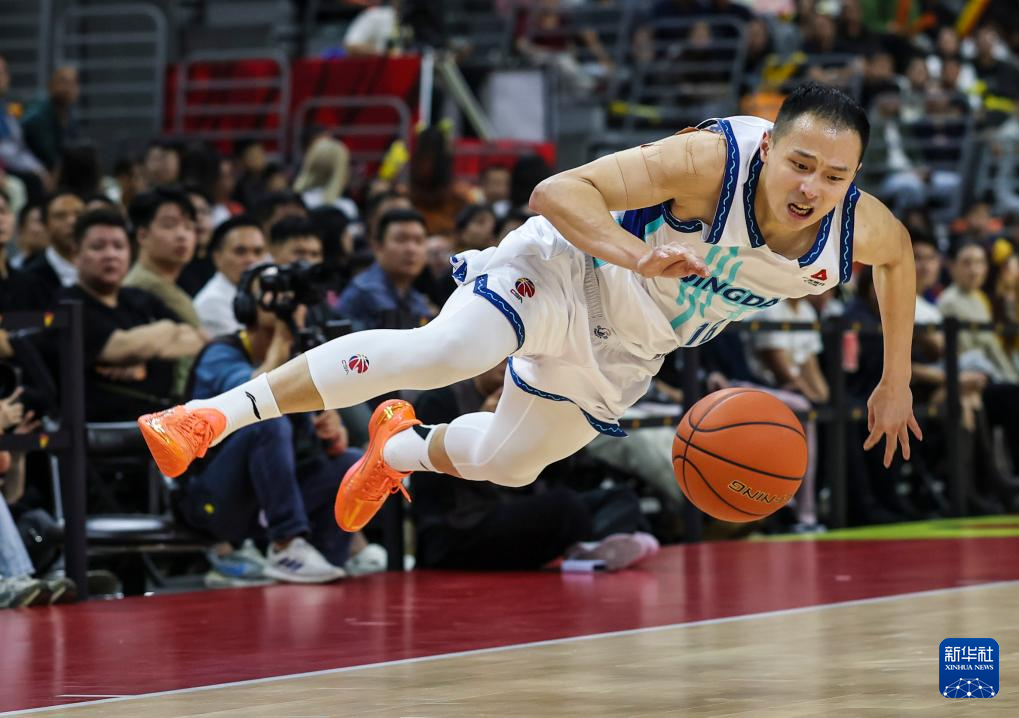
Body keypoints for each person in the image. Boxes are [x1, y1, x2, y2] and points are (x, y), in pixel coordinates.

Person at [140, 83, 921, 536]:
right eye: (799, 163)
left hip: (629, 345)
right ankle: (207, 416)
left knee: (510, 465)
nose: (811, 187)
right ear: (770, 147)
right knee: (447, 351)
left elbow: (898, 263)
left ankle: (397, 450)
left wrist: (895, 381)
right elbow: (557, 191)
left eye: (834, 176)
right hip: (572, 264)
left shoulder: (859, 227)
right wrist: (633, 254)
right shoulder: (707, 162)